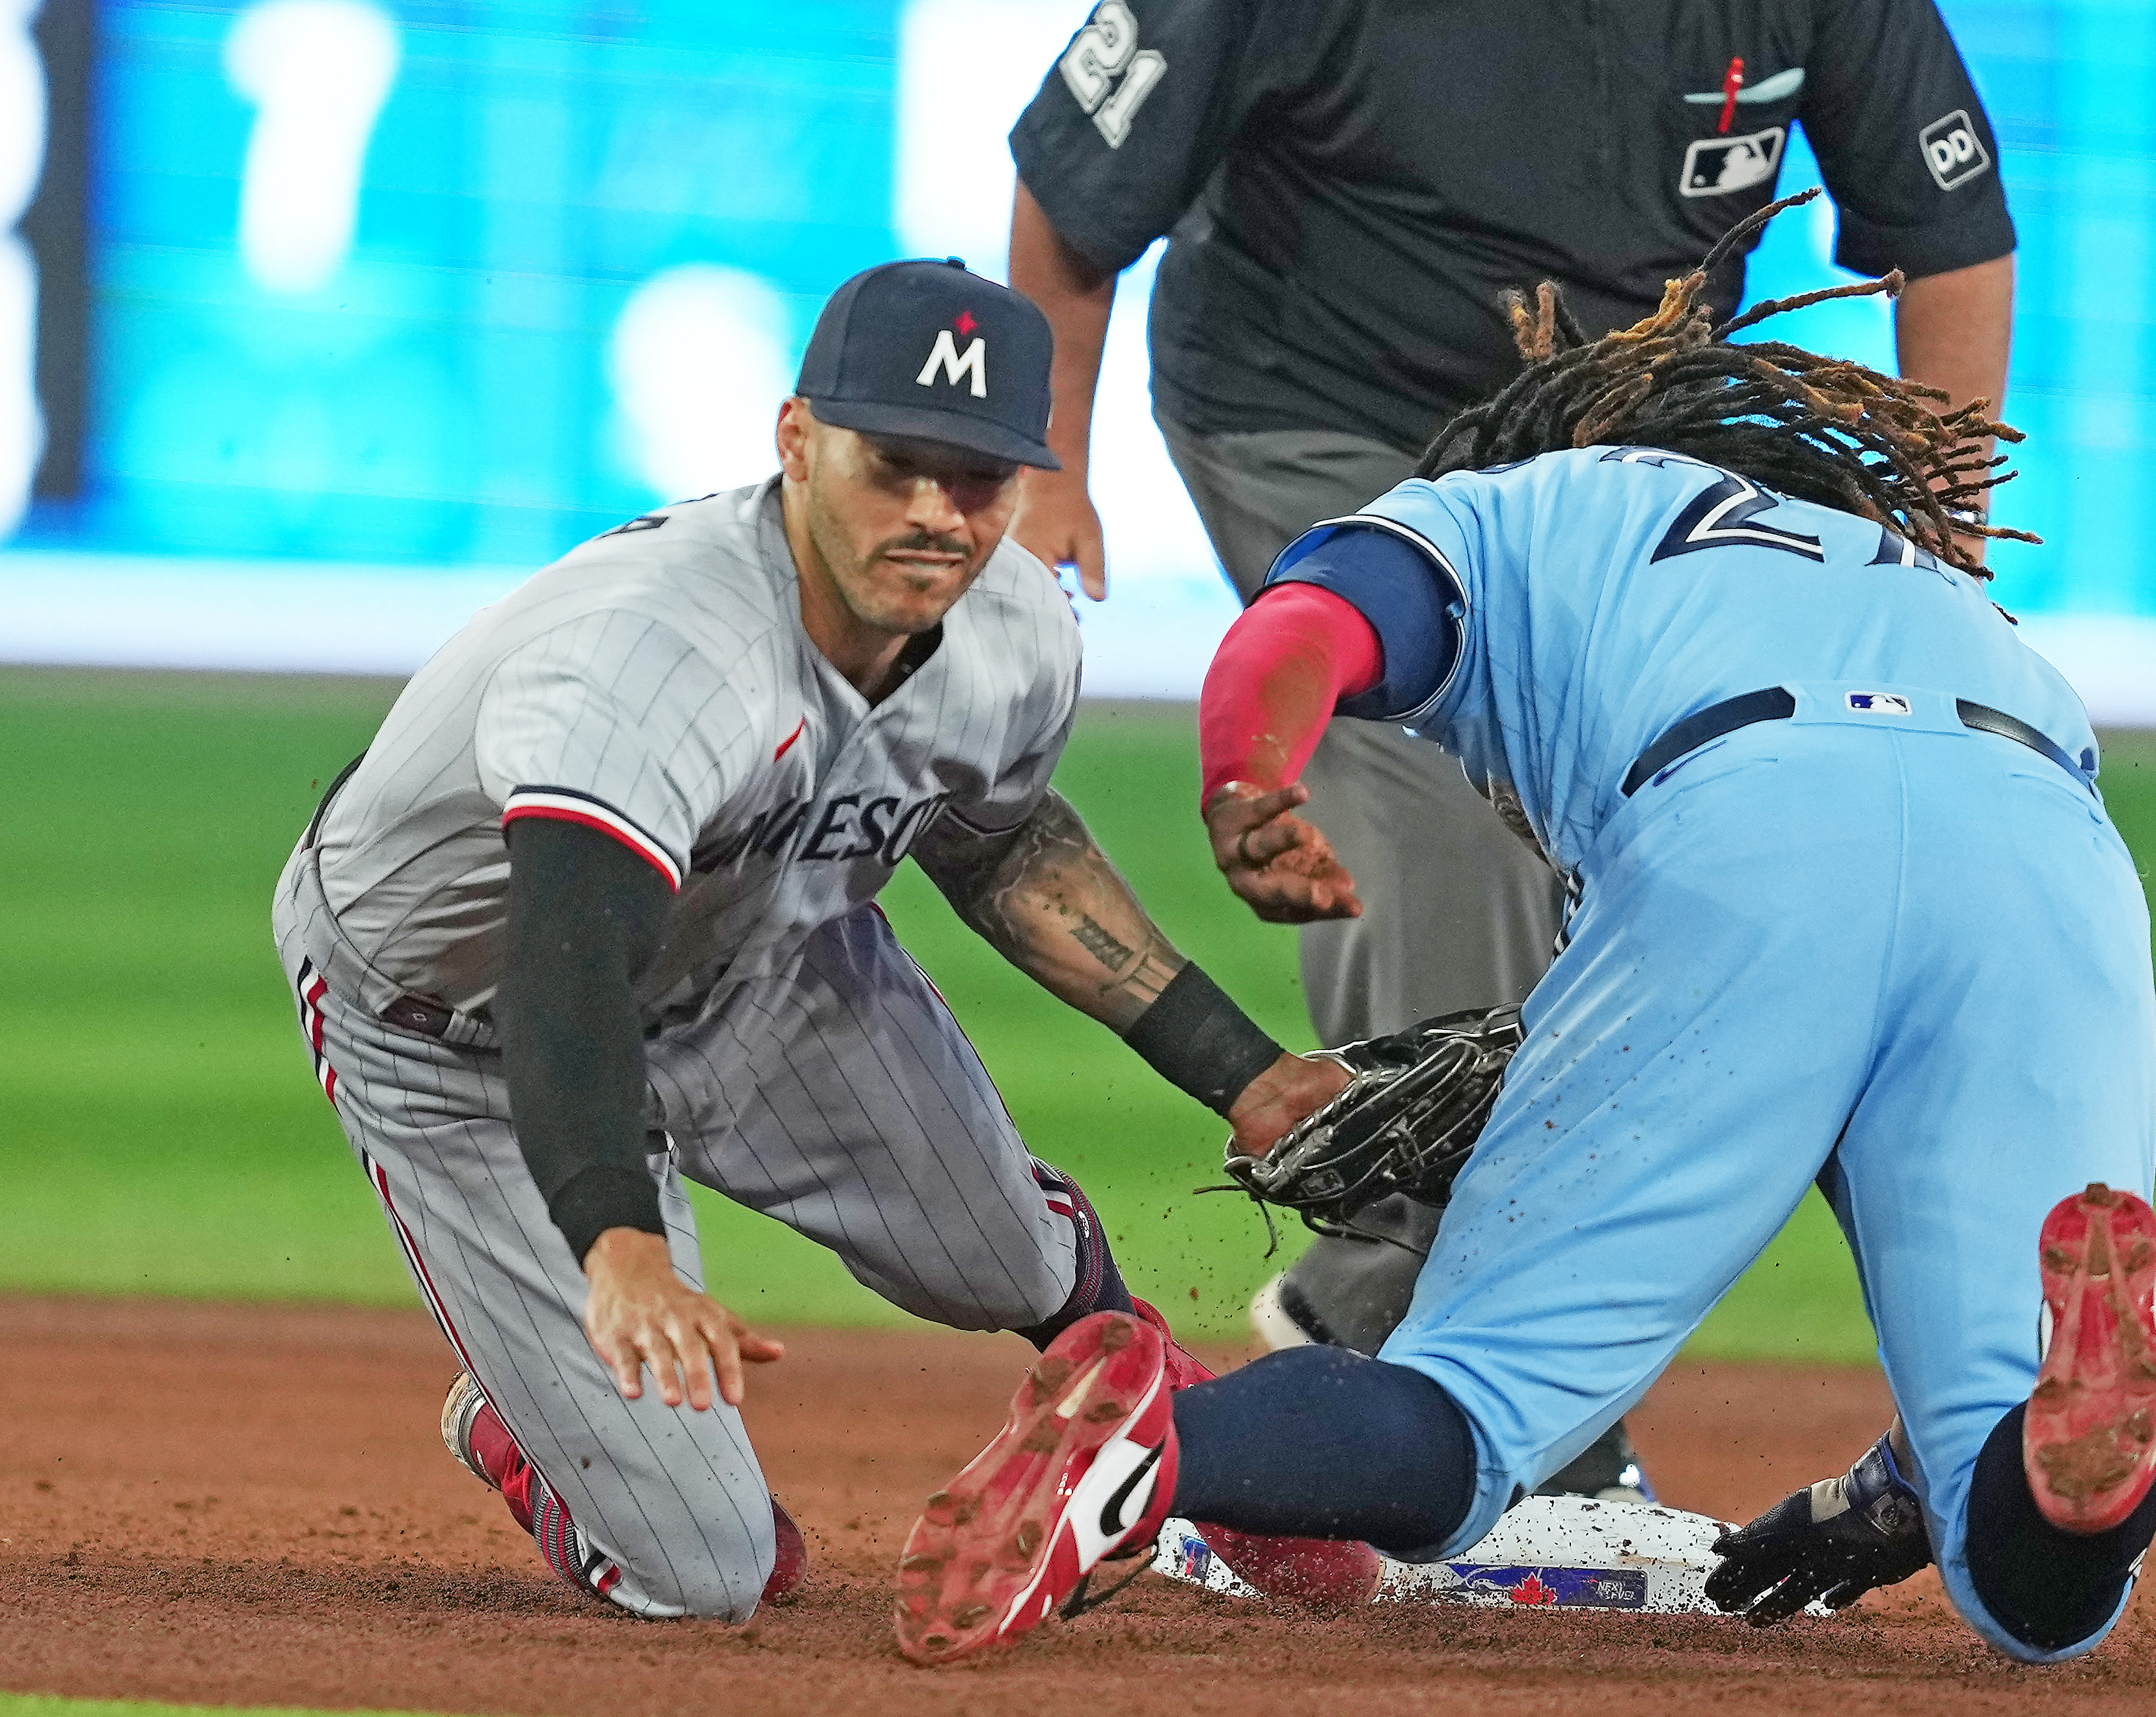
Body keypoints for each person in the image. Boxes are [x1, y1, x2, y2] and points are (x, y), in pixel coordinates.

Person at [896, 213, 2156, 1670]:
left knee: (1471, 1406)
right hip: (2050, 849)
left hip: (1750, 815)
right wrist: (1884, 1493)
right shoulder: (1920, 577)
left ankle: (1144, 1453)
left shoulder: (1527, 499)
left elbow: (1310, 619)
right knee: (2038, 1600)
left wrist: (1248, 775)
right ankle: (2038, 1440)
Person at [1005, 0, 2021, 1498]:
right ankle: (1472, 1355)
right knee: (1456, 814)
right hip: (1312, 407)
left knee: (1704, 840)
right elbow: (1073, 197)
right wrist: (1049, 464)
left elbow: (1948, 239)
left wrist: (1938, 542)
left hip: (1616, 454)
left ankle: (1383, 1304)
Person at [271, 258, 1366, 1624]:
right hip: (467, 1029)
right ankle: (529, 1414)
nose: (930, 512)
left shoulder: (1012, 625)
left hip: (761, 954)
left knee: (1009, 1261)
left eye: (974, 478)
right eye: (892, 463)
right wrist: (618, 1245)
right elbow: (567, 969)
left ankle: (1171, 1438)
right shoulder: (656, 654)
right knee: (714, 1572)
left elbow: (1005, 844)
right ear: (796, 442)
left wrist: (1244, 1072)